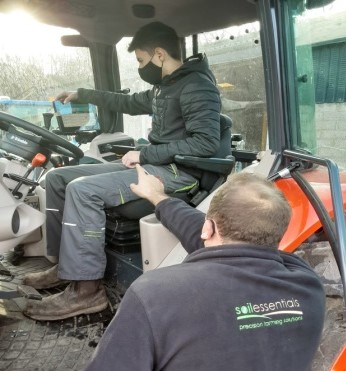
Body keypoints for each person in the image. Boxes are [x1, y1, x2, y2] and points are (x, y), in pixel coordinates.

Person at [71, 165, 325, 371]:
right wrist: (159, 198)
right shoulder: (308, 286)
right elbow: (229, 244)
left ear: (208, 229)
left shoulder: (155, 296)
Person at [23, 21, 221, 321]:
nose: (140, 67)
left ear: (158, 54)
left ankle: (86, 292)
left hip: (178, 173)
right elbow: (125, 102)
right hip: (155, 163)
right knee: (59, 178)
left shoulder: (197, 86)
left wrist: (144, 152)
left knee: (83, 190)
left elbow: (205, 143)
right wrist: (82, 93)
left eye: (141, 60)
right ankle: (68, 264)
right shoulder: (164, 87)